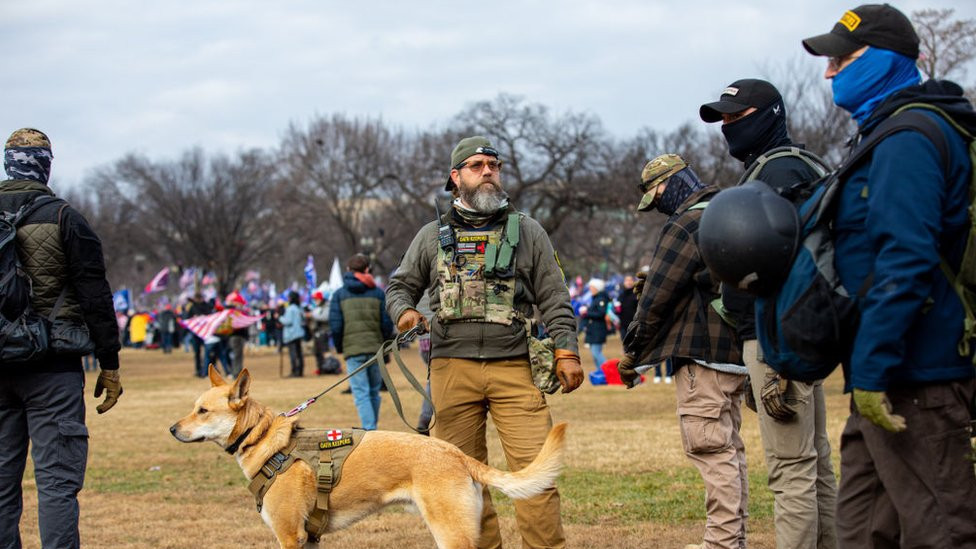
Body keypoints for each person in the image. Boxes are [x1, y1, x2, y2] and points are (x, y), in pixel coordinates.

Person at [802, 5, 976, 547]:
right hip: (885, 375)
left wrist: (875, 368)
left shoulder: (909, 139)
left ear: (884, 61)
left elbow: (906, 260)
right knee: (862, 530)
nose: (829, 72)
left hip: (918, 376)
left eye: (841, 58)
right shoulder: (882, 136)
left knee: (940, 530)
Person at [386, 135, 584, 549]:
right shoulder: (430, 236)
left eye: (493, 165)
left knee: (536, 477)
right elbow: (400, 285)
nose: (488, 172)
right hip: (450, 370)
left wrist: (566, 349)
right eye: (476, 166)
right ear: (456, 178)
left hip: (515, 368)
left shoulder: (528, 231)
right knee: (456, 481)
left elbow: (555, 296)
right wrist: (404, 311)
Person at [700, 78, 838, 549]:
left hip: (779, 333)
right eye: (724, 119)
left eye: (737, 117)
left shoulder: (777, 174)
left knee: (791, 470)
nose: (728, 127)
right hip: (798, 330)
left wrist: (772, 355)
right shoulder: (800, 164)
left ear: (770, 115)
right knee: (814, 462)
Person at [0, 128, 123, 548]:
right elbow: (95, 296)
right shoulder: (64, 217)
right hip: (54, 367)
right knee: (56, 485)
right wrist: (110, 362)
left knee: (0, 488)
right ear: (45, 167)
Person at [617, 154, 747, 549]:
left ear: (671, 183)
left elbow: (656, 299)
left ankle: (722, 543)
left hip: (702, 354)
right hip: (739, 353)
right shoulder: (732, 208)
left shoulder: (686, 223)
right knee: (730, 449)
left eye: (657, 197)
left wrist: (633, 353)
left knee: (711, 449)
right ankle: (732, 538)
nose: (659, 207)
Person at [329, 253, 394, 431]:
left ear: (349, 270)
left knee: (361, 393)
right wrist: (385, 345)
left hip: (353, 350)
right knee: (373, 391)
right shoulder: (379, 293)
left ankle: (369, 429)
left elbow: (335, 326)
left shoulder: (339, 295)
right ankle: (371, 428)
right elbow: (387, 324)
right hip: (375, 349)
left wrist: (341, 347)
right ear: (367, 270)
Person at [580, 278, 610, 370]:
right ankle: (600, 372)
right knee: (595, 354)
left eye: (592, 287)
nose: (590, 289)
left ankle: (609, 370)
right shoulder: (595, 298)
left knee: (596, 352)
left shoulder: (601, 299)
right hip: (593, 330)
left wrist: (587, 313)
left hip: (598, 330)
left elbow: (601, 313)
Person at [309, 290, 336, 374]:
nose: (315, 301)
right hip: (317, 332)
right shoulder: (317, 307)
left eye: (316, 299)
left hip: (324, 332)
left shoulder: (327, 306)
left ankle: (331, 367)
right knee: (317, 351)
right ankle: (321, 367)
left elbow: (325, 317)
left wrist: (312, 315)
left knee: (325, 351)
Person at [280, 291, 306, 377]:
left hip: (291, 334)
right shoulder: (299, 308)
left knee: (293, 354)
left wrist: (279, 318)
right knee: (299, 353)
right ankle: (300, 370)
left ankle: (295, 371)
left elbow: (288, 321)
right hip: (299, 333)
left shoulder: (290, 308)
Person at [225, 290, 249, 378]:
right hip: (235, 336)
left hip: (238, 336)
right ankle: (236, 373)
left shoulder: (237, 312)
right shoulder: (233, 312)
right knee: (236, 355)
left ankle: (237, 372)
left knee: (237, 355)